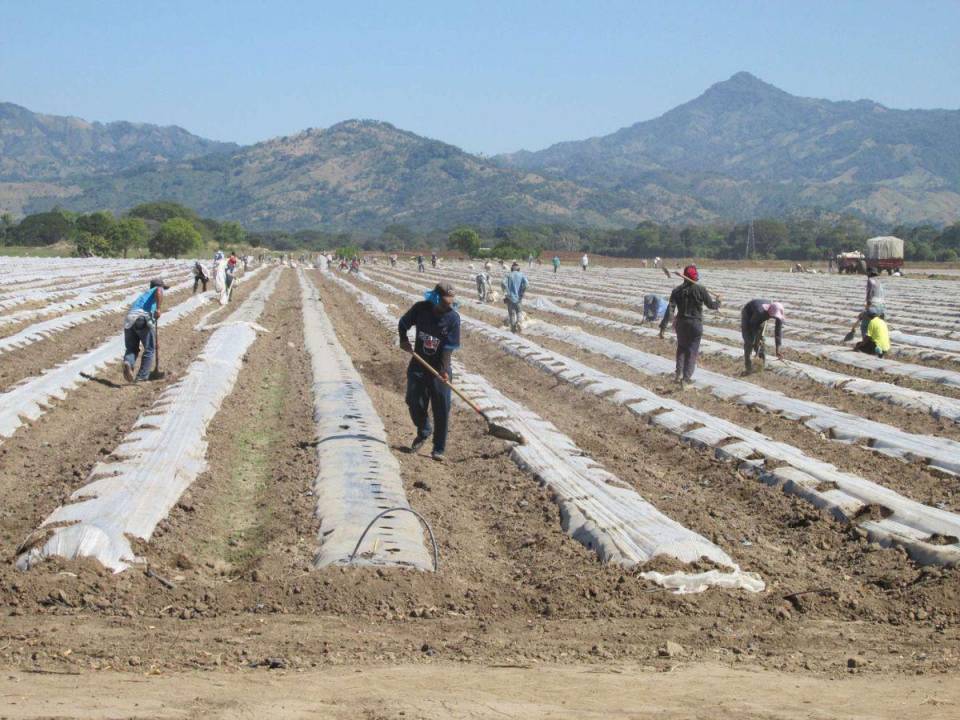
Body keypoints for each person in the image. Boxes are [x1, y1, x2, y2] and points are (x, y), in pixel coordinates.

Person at [398, 282, 461, 462]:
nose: (447, 306)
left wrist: (443, 370)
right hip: (419, 364)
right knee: (413, 401)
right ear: (435, 297)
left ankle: (438, 448)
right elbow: (403, 323)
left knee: (442, 407)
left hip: (440, 367)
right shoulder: (420, 309)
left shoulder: (453, 318)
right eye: (444, 302)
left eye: (450, 303)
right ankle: (424, 429)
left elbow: (448, 347)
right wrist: (403, 340)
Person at [659, 265, 721, 388]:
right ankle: (686, 380)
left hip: (681, 323)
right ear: (696, 277)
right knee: (692, 351)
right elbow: (712, 306)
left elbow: (670, 309)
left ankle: (678, 374)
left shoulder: (676, 291)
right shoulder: (701, 289)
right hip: (695, 324)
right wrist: (718, 301)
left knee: (681, 348)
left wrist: (663, 327)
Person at [122, 278, 168, 383]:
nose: (163, 291)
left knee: (132, 348)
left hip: (129, 319)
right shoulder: (157, 289)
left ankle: (128, 363)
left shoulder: (144, 296)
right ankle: (142, 377)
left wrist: (154, 338)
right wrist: (159, 309)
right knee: (150, 349)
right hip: (141, 318)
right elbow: (159, 291)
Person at [740, 300, 785, 374]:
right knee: (749, 341)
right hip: (748, 314)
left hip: (762, 315)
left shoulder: (778, 313)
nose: (774, 318)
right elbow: (752, 325)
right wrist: (756, 340)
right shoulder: (760, 312)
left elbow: (778, 332)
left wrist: (778, 349)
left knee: (761, 342)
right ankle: (748, 368)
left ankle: (761, 367)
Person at [501, 262, 529, 333]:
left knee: (512, 313)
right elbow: (527, 284)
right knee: (519, 311)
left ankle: (513, 330)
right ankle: (519, 323)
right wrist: (522, 292)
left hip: (510, 297)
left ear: (512, 268)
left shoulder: (508, 275)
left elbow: (503, 283)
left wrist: (506, 292)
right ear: (518, 269)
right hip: (519, 298)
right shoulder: (522, 275)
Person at [861, 269, 886, 340]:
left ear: (869, 274)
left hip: (874, 307)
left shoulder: (870, 280)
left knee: (864, 325)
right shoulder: (880, 281)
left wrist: (865, 310)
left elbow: (869, 294)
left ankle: (865, 343)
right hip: (882, 308)